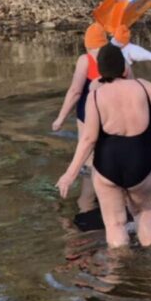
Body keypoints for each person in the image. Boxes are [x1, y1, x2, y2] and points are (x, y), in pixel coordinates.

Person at [54, 44, 151, 248]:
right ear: (124, 67)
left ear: (100, 71)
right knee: (143, 211)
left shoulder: (95, 97)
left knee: (114, 223)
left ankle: (120, 262)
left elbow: (88, 139)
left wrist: (70, 174)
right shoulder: (142, 86)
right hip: (140, 162)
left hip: (108, 165)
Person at [52, 23, 109, 216]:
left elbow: (76, 91)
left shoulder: (85, 60)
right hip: (113, 114)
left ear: (87, 44)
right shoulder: (118, 60)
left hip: (88, 113)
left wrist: (61, 118)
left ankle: (87, 213)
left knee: (89, 159)